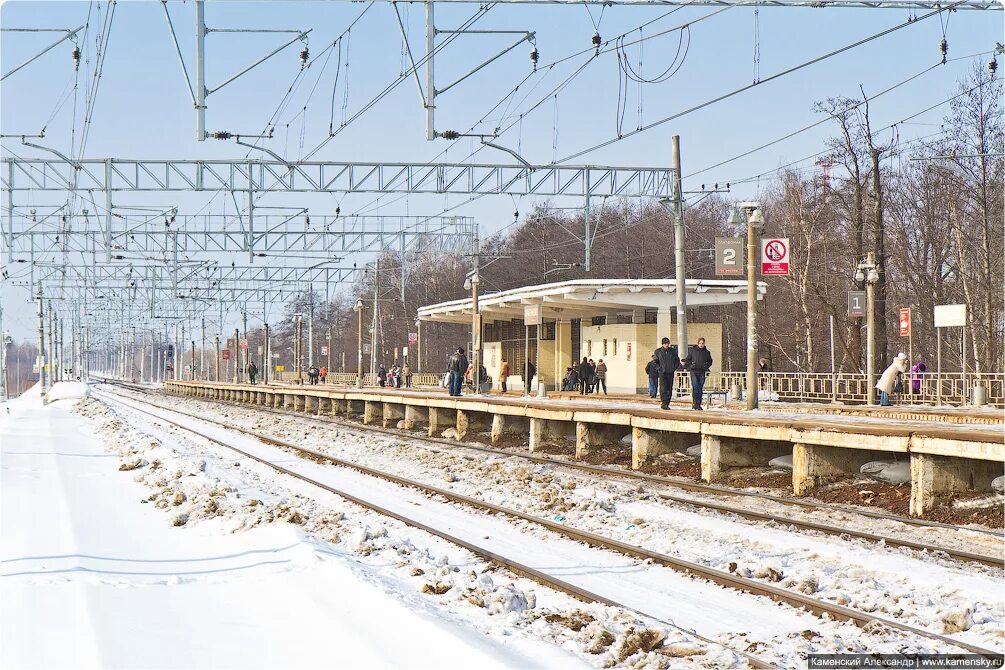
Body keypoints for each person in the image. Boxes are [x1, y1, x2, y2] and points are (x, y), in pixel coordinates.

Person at [682, 337, 713, 410]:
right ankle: (695, 403)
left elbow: (710, 361)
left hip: (702, 371)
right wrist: (690, 366)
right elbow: (687, 359)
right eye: (700, 343)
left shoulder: (706, 352)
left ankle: (698, 404)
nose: (701, 345)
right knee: (695, 387)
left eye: (702, 343)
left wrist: (706, 366)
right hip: (694, 371)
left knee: (700, 388)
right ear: (698, 343)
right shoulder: (693, 351)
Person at [653, 337, 680, 410]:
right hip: (662, 373)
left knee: (669, 388)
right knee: (663, 388)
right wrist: (659, 369)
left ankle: (667, 403)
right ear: (662, 344)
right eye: (665, 344)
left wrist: (674, 368)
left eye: (667, 343)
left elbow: (677, 360)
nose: (667, 345)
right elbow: (655, 362)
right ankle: (664, 403)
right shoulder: (658, 352)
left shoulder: (672, 351)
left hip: (670, 372)